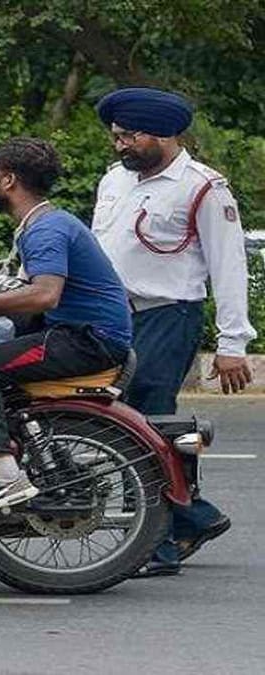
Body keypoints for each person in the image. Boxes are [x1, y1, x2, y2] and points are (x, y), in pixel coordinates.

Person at [91, 87, 255, 576]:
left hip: (168, 313)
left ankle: (159, 541)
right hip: (113, 316)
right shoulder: (114, 181)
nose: (119, 145)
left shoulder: (204, 187)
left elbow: (230, 265)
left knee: (145, 422)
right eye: (116, 136)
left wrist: (232, 344)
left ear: (163, 135)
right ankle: (192, 517)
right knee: (125, 421)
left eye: (129, 136)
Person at [0, 137, 133, 515]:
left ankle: (3, 474)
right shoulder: (47, 222)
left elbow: (45, 295)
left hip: (87, 339)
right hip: (81, 331)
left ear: (9, 180)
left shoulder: (45, 229)